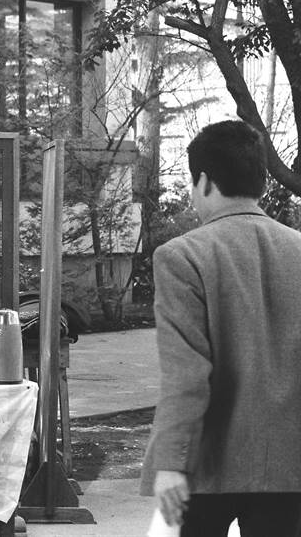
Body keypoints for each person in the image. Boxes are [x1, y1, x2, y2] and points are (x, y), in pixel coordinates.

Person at [140, 120, 301, 536]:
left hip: (205, 462)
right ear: (261, 182)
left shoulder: (182, 257)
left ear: (205, 181)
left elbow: (186, 375)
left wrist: (171, 463)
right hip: (290, 465)